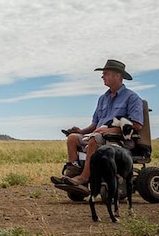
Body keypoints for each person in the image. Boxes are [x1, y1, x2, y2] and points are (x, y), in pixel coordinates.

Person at [55, 59, 144, 192]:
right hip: (100, 136)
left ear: (118, 76)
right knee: (73, 138)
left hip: (120, 140)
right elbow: (95, 124)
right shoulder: (103, 98)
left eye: (106, 73)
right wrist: (81, 131)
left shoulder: (132, 98)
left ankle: (84, 180)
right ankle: (72, 174)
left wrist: (108, 130)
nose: (102, 76)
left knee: (94, 139)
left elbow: (136, 125)